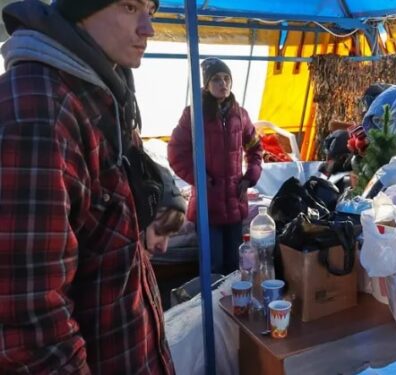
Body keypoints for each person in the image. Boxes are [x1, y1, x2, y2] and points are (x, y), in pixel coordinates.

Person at [0, 0, 186, 373]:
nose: (148, 28)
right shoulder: (40, 112)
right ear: (79, 9)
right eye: (130, 7)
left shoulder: (101, 93)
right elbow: (31, 330)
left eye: (152, 10)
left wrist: (150, 211)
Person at [168, 57, 263, 275]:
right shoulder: (194, 114)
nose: (223, 84)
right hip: (207, 204)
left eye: (226, 78)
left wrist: (250, 177)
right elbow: (175, 152)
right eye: (217, 80)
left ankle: (233, 306)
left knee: (235, 265)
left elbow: (256, 149)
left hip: (235, 203)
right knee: (213, 266)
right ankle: (210, 308)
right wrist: (200, 178)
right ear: (206, 85)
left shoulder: (241, 115)